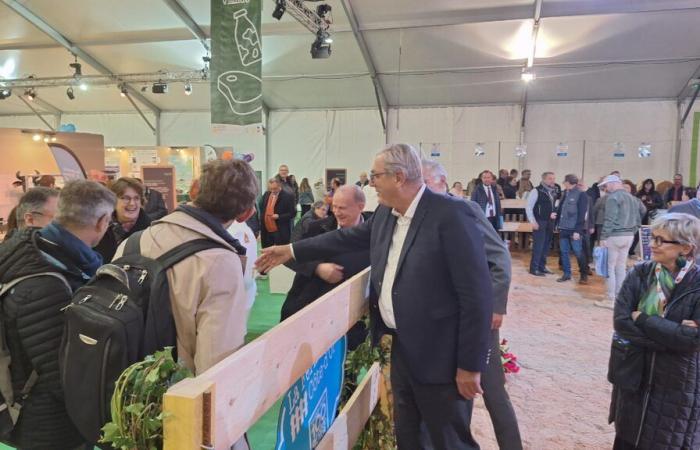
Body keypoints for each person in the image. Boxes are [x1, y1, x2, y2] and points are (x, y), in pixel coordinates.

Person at [257, 144, 493, 450]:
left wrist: (470, 365)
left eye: (375, 176)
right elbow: (346, 237)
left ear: (398, 177)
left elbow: (477, 295)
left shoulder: (450, 215)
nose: (371, 183)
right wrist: (290, 249)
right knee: (408, 435)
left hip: (441, 359)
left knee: (449, 441)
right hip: (401, 350)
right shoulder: (386, 213)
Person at [114, 159, 258, 450]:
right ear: (245, 212)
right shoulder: (220, 261)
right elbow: (216, 361)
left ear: (195, 192)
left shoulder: (135, 241)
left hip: (125, 396)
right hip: (177, 407)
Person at [0, 180, 115, 450]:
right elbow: (61, 374)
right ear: (102, 221)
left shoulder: (33, 253)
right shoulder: (49, 282)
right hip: (47, 425)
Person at [422, 159, 522, 450]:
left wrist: (496, 307)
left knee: (492, 390)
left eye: (426, 183)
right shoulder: (422, 215)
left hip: (478, 318)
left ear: (442, 182)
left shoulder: (465, 209)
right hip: (445, 321)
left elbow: (499, 259)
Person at [608, 212, 700, 450]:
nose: (653, 245)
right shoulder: (640, 274)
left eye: (661, 240)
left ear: (686, 248)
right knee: (629, 438)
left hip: (676, 387)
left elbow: (694, 340)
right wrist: (675, 336)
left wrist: (646, 321)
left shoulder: (697, 284)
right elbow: (622, 322)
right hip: (633, 378)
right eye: (653, 237)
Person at [283, 185, 370, 349]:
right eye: (334, 206)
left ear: (361, 206)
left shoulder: (374, 233)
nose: (337, 212)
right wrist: (317, 267)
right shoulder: (317, 227)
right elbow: (289, 256)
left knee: (346, 367)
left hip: (351, 320)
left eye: (342, 207)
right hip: (309, 309)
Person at [595, 175, 646, 309]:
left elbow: (609, 219)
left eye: (606, 186)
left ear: (613, 183)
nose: (605, 189)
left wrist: (603, 237)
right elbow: (640, 215)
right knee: (621, 267)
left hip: (615, 236)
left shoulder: (613, 198)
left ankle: (610, 299)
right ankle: (619, 298)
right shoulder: (633, 198)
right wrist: (633, 230)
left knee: (609, 267)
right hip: (629, 236)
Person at [94, 177, 152, 263]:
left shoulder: (150, 231)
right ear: (113, 201)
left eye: (136, 198)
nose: (132, 203)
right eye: (126, 198)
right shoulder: (100, 226)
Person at [556, 174, 589, 284]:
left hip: (574, 229)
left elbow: (582, 214)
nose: (563, 183)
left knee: (578, 252)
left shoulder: (581, 195)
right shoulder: (565, 193)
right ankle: (566, 274)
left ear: (569, 182)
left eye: (564, 181)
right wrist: (557, 224)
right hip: (563, 228)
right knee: (564, 252)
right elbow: (561, 209)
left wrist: (577, 231)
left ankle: (584, 275)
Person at [526, 172, 557, 276]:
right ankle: (533, 268)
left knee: (546, 246)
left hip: (550, 222)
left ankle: (542, 267)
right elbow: (529, 207)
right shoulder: (536, 191)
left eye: (553, 178)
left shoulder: (554, 191)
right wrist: (533, 221)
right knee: (538, 246)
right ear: (543, 179)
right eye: (550, 179)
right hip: (539, 222)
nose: (552, 180)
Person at [259, 177, 296, 248]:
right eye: (271, 189)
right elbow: (262, 208)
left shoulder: (288, 196)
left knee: (281, 253)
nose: (272, 191)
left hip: (280, 231)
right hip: (266, 230)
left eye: (275, 188)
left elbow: (292, 213)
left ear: (279, 186)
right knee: (267, 252)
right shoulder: (266, 194)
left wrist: (279, 216)